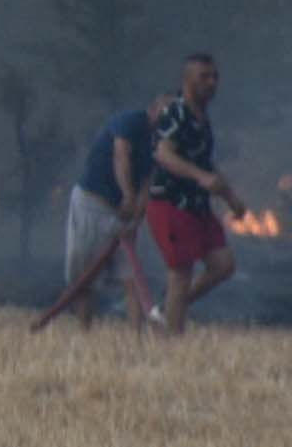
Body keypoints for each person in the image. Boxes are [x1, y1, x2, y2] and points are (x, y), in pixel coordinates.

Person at [143, 53, 245, 337]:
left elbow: (206, 164)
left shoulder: (203, 119)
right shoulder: (176, 112)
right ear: (187, 80)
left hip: (198, 207)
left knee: (223, 265)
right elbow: (163, 154)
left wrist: (231, 197)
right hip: (171, 203)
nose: (212, 83)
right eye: (204, 77)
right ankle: (172, 342)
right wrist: (200, 177)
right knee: (180, 273)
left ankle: (165, 311)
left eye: (215, 77)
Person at [62, 105, 155, 328]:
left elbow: (147, 185)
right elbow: (120, 153)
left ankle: (137, 341)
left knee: (131, 277)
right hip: (92, 204)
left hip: (121, 215)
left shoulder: (159, 141)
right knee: (84, 279)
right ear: (157, 106)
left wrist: (135, 221)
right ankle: (84, 336)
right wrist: (128, 195)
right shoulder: (132, 119)